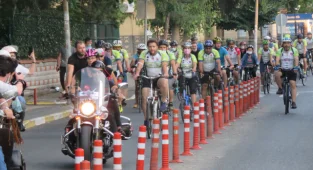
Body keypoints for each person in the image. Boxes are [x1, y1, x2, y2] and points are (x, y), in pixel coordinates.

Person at [133, 39, 170, 126]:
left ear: (157, 47)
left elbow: (164, 65)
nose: (152, 48)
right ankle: (146, 119)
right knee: (144, 97)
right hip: (147, 77)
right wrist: (137, 73)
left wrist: (165, 73)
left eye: (154, 46)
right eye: (150, 47)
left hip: (159, 77)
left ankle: (164, 101)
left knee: (164, 82)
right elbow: (140, 64)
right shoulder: (144, 53)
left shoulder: (162, 54)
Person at [0, 55, 26, 169]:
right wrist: (20, 81)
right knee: (6, 134)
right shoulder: (2, 85)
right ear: (9, 74)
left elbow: (1, 97)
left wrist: (5, 107)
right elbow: (18, 91)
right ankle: (8, 163)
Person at [274, 37, 299, 109]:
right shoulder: (280, 50)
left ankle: (293, 102)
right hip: (282, 69)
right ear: (282, 44)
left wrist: (296, 66)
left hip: (291, 69)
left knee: (292, 84)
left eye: (288, 43)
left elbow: (296, 59)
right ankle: (280, 88)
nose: (286, 45)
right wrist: (277, 65)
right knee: (277, 74)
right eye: (285, 43)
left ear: (290, 44)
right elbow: (277, 59)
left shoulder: (294, 50)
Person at [158, 40, 177, 110]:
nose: (162, 49)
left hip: (168, 73)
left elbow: (173, 64)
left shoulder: (170, 54)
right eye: (160, 47)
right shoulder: (156, 53)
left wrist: (175, 72)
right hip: (158, 73)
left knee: (169, 86)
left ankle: (170, 102)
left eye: (164, 47)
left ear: (167, 48)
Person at [112, 40, 130, 112]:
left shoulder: (123, 51)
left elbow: (126, 60)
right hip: (112, 71)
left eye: (118, 47)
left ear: (121, 47)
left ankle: (123, 98)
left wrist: (128, 67)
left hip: (121, 70)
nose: (117, 49)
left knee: (124, 85)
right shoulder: (112, 52)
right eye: (115, 47)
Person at [130, 44, 147, 108]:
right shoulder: (135, 56)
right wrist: (132, 65)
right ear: (138, 50)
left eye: (143, 50)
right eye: (140, 50)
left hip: (145, 71)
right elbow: (133, 61)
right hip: (137, 71)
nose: (142, 51)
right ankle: (136, 102)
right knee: (137, 88)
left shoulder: (147, 55)